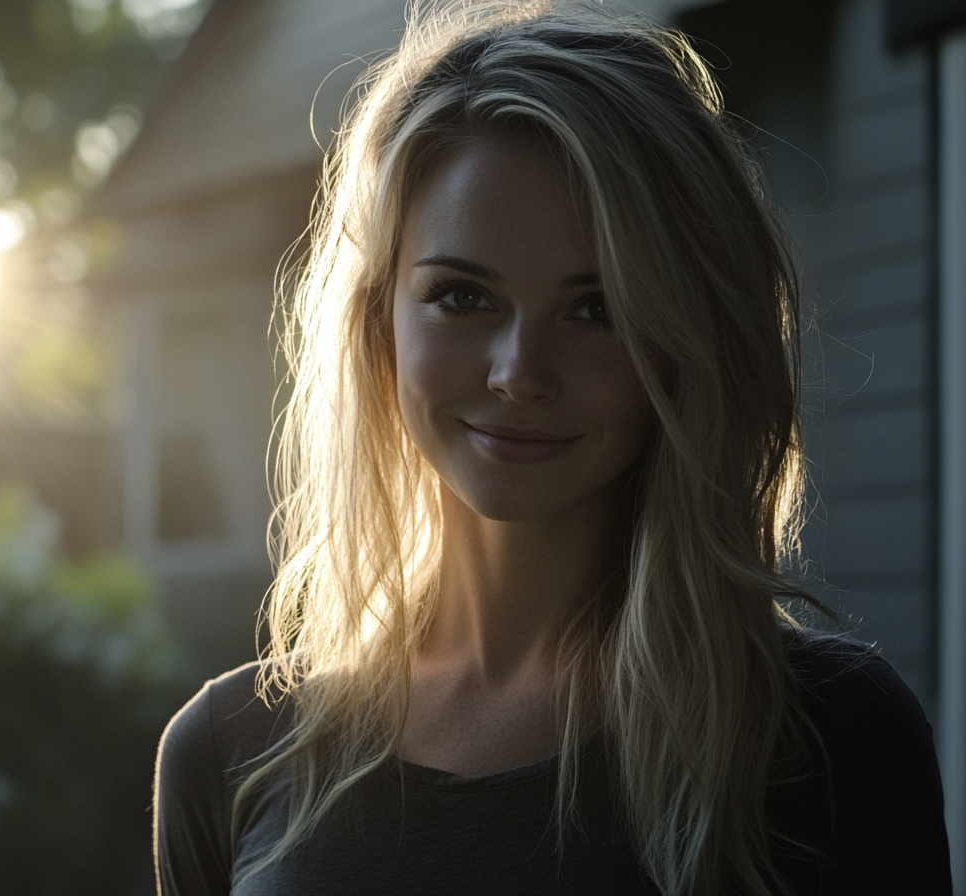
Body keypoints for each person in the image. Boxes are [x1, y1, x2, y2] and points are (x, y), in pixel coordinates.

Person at [153, 1, 952, 893]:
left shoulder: (829, 736)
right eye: (463, 296)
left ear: (688, 344)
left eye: (595, 309)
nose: (520, 373)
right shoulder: (229, 751)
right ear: (379, 321)